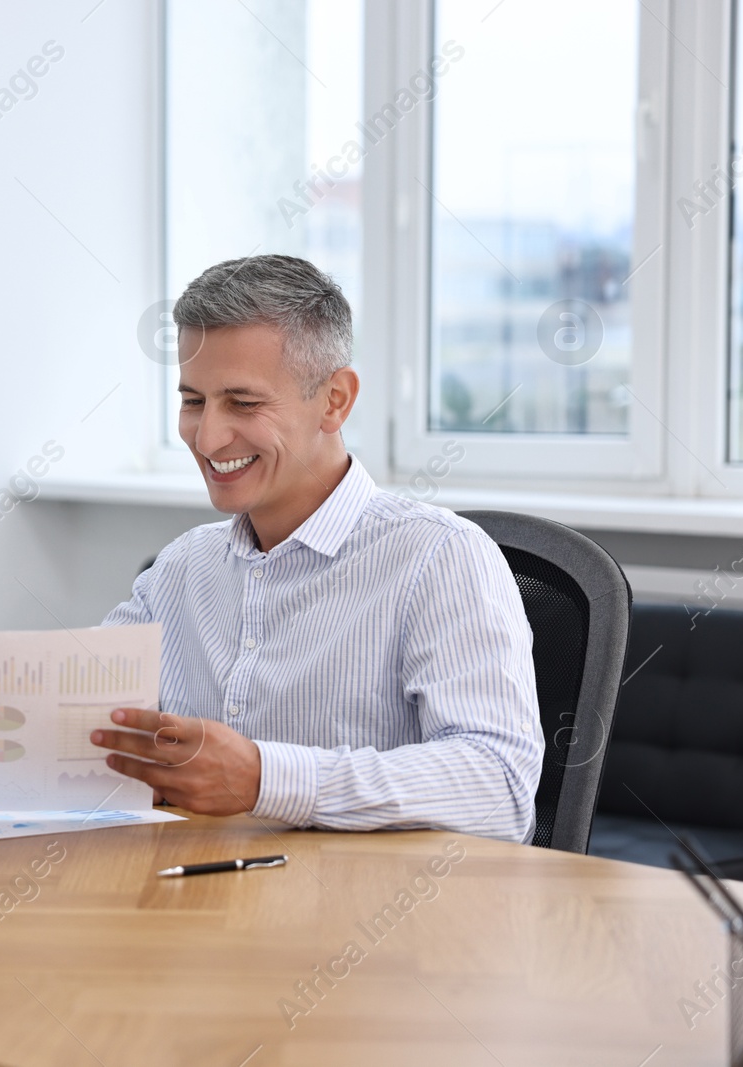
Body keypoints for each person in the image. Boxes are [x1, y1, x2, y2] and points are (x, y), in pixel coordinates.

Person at [90, 255, 544, 842]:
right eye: (194, 401)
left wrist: (265, 780)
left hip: (376, 921)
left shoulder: (441, 558)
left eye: (244, 403)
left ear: (334, 400)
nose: (207, 438)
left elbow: (499, 789)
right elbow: (81, 702)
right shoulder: (182, 567)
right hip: (205, 899)